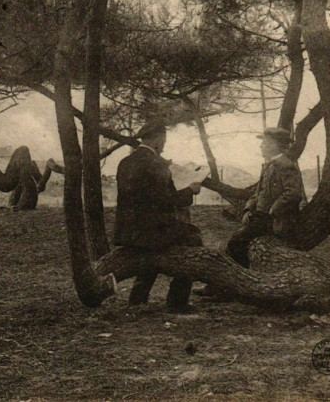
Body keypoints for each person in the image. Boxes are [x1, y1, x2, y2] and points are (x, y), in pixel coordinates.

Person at [113, 118, 203, 313]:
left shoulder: (125, 162)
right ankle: (177, 301)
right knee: (193, 239)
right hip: (150, 230)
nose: (163, 146)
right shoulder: (156, 164)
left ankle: (137, 299)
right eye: (163, 142)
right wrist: (190, 191)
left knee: (152, 253)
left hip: (128, 231)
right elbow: (165, 201)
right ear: (156, 140)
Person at [224, 127, 306, 268]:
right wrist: (248, 209)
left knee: (235, 242)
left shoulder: (286, 165)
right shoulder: (269, 165)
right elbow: (258, 193)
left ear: (276, 146)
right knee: (236, 241)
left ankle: (237, 281)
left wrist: (273, 209)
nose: (261, 146)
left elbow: (293, 193)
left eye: (266, 143)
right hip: (262, 216)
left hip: (275, 219)